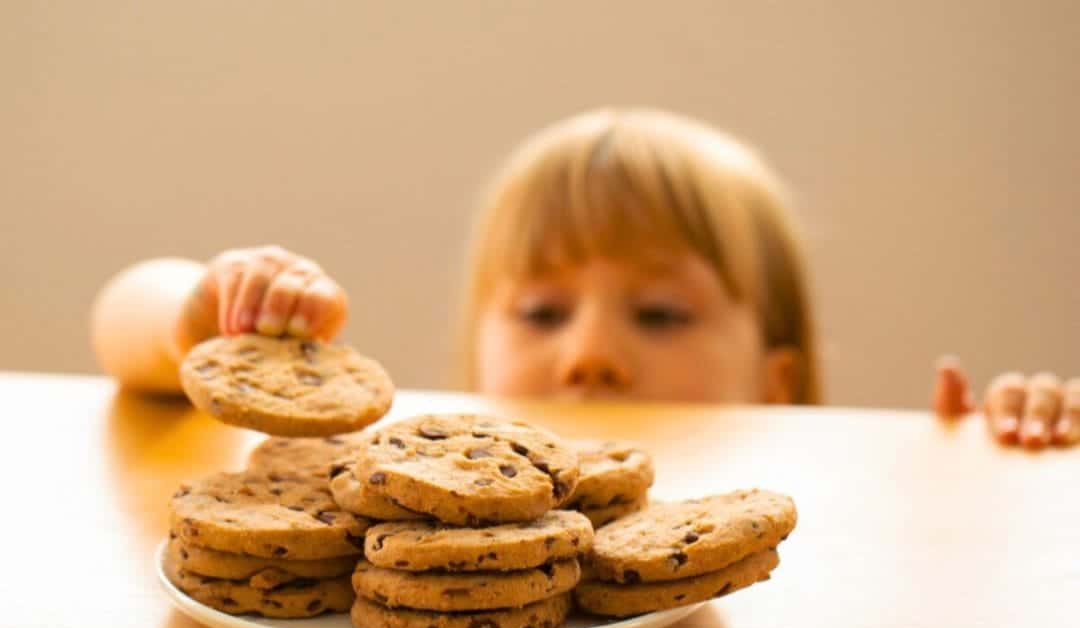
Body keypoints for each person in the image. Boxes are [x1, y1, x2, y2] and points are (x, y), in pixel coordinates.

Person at [90, 108, 1078, 449]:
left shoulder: (804, 503)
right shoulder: (409, 477)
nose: (592, 353)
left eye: (659, 313)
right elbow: (117, 328)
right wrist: (198, 314)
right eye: (539, 310)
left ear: (776, 380)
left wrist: (1021, 450)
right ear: (474, 347)